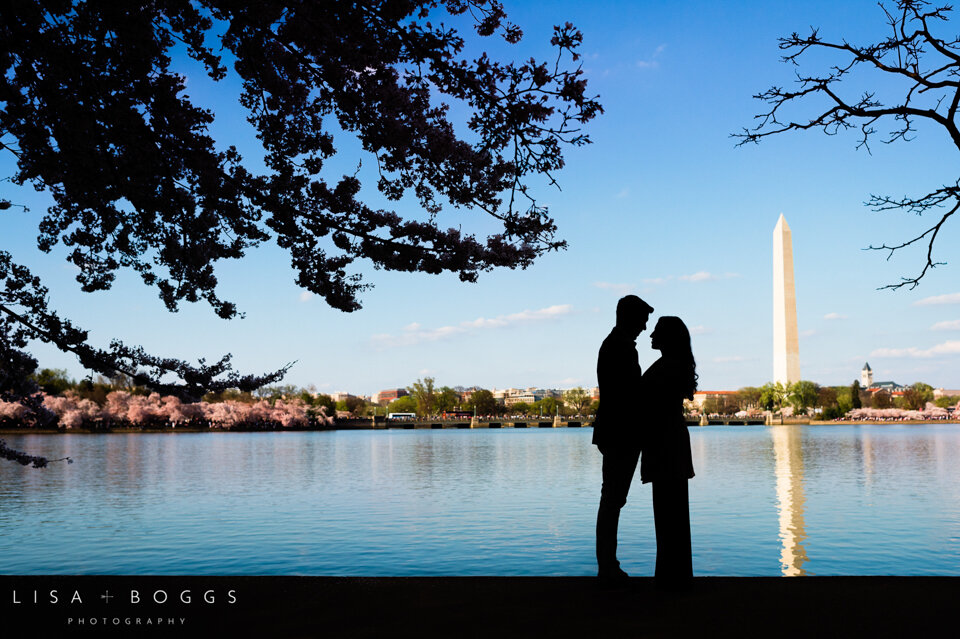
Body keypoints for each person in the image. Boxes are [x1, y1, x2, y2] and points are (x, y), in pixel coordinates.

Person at [593, 294, 654, 583]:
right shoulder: (620, 347)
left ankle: (607, 565)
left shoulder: (616, 345)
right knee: (612, 500)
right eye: (642, 320)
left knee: (612, 499)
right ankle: (607, 567)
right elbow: (627, 395)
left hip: (615, 431)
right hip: (621, 433)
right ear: (629, 317)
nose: (644, 327)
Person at [640, 316, 697, 590]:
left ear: (668, 337)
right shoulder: (675, 364)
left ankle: (670, 578)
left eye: (657, 332)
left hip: (664, 440)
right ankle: (676, 575)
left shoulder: (667, 367)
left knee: (667, 511)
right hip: (670, 437)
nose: (651, 335)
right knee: (673, 511)